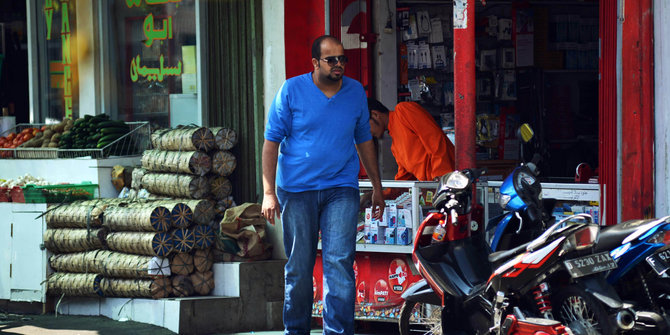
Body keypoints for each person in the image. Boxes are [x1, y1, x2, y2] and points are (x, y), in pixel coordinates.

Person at [261, 35, 385, 335]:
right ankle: (296, 330)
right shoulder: (291, 90)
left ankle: (339, 332)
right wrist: (267, 193)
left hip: (341, 188)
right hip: (296, 190)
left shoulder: (355, 92)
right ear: (315, 62)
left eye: (343, 59)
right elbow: (270, 144)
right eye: (332, 60)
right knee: (299, 268)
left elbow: (364, 140)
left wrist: (377, 186)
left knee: (339, 263)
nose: (339, 64)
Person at [367, 99, 455, 181]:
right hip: (432, 188)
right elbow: (404, 177)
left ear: (375, 115)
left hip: (450, 181)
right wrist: (383, 193)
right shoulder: (395, 147)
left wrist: (440, 176)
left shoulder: (403, 110)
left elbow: (434, 139)